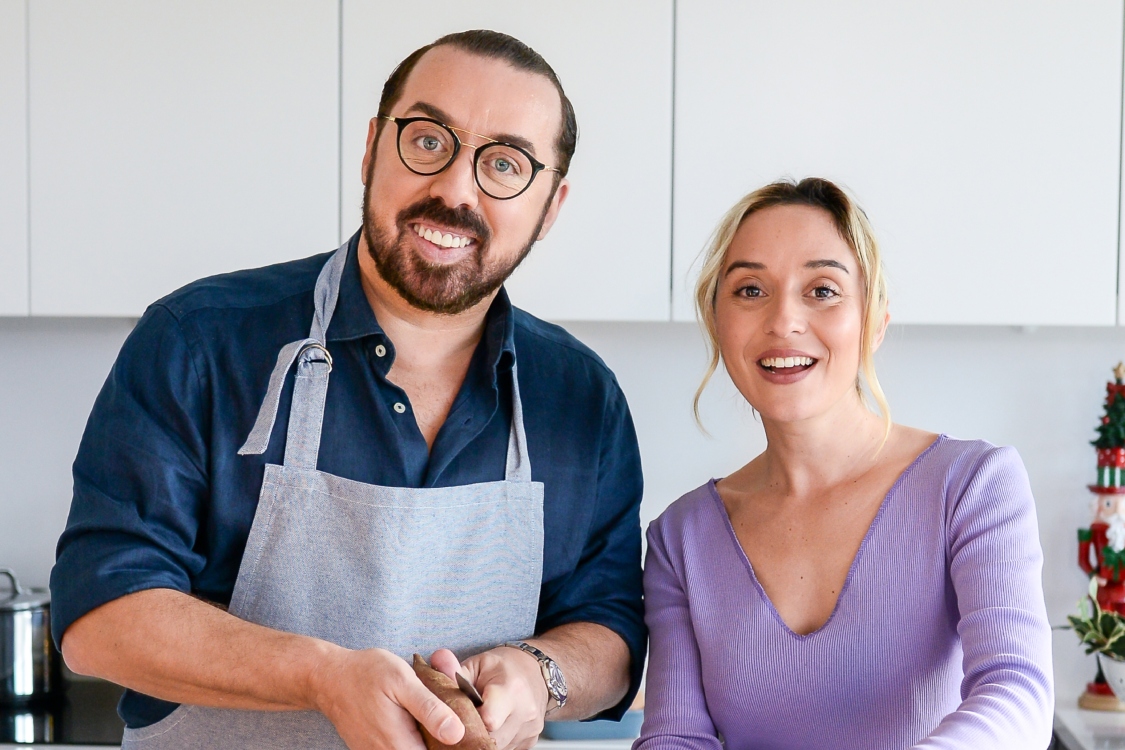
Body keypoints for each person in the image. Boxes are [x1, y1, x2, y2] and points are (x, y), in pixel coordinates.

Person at [50, 30, 645, 750]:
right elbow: (100, 619)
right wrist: (322, 677)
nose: (454, 189)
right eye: (428, 141)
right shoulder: (199, 340)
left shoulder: (580, 397)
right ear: (371, 149)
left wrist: (538, 673)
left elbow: (610, 630)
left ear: (550, 206)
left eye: (505, 164)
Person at [635, 178, 1053, 749]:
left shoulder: (972, 486)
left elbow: (1016, 692)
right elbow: (675, 739)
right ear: (717, 323)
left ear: (874, 321)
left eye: (823, 290)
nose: (783, 320)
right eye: (751, 290)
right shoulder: (681, 539)